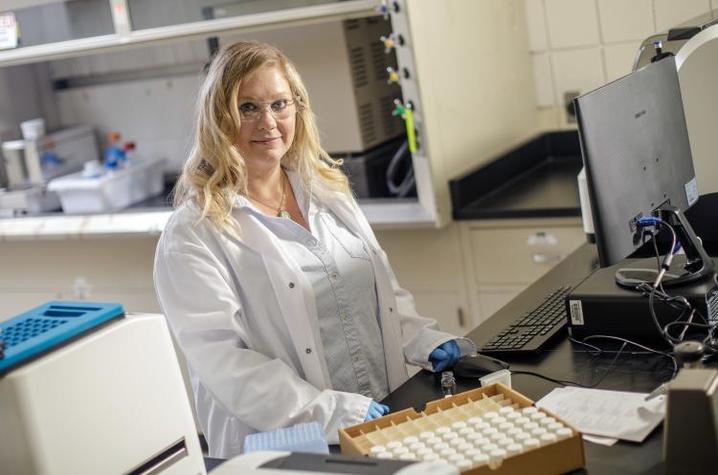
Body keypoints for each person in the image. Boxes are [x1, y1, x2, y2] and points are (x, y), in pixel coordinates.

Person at [153, 41, 476, 459]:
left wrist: (420, 339)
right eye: (247, 107)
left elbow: (377, 293)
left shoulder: (325, 190)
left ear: (298, 109)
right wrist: (334, 414)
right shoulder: (193, 233)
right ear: (219, 118)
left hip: (379, 418)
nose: (267, 121)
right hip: (290, 446)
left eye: (279, 104)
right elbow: (227, 366)